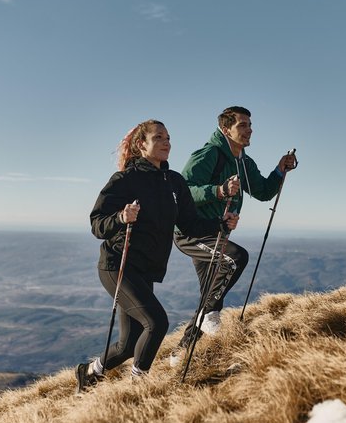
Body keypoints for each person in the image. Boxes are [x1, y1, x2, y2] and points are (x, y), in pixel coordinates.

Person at [76, 119, 239, 392]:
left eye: (168, 137)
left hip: (145, 270)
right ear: (142, 145)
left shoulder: (174, 182)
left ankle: (90, 372)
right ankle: (138, 389)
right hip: (118, 265)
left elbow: (189, 224)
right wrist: (120, 217)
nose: (167, 142)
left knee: (128, 345)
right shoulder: (125, 180)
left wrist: (220, 225)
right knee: (157, 322)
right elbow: (97, 224)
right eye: (159, 137)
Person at [170, 106, 297, 363]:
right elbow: (182, 191)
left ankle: (179, 355)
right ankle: (206, 318)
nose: (249, 130)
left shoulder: (243, 162)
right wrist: (218, 191)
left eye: (250, 125)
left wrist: (279, 170)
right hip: (191, 233)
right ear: (226, 129)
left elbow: (262, 191)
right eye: (243, 125)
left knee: (211, 294)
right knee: (236, 258)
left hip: (216, 234)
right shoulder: (209, 155)